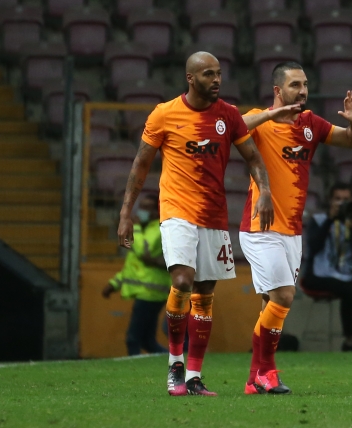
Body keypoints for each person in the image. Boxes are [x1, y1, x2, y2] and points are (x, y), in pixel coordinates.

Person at [117, 52, 275, 397]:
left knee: (204, 294)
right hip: (176, 210)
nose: (216, 80)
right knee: (182, 281)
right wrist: (126, 212)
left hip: (214, 214)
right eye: (208, 74)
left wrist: (265, 191)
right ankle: (175, 365)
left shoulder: (228, 115)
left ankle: (193, 376)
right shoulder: (164, 114)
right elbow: (141, 164)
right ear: (190, 78)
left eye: (218, 73)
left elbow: (252, 157)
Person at [239, 61, 352, 395]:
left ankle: (253, 379)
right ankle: (268, 372)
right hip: (260, 226)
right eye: (295, 85)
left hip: (292, 232)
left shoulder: (310, 123)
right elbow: (231, 127)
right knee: (284, 296)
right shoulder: (260, 119)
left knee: (270, 303)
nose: (303, 90)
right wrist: (271, 114)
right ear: (277, 90)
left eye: (306, 84)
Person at [303, 182, 352, 352]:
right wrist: (330, 219)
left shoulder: (351, 220)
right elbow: (313, 246)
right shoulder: (319, 220)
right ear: (330, 200)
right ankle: (349, 340)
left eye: (346, 199)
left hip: (343, 275)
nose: (342, 203)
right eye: (338, 199)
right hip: (317, 276)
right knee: (348, 289)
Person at [103, 194, 169, 356]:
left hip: (151, 292)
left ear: (157, 212)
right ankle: (176, 361)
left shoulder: (159, 230)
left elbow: (143, 251)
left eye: (147, 207)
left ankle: (135, 368)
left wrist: (136, 228)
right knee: (148, 342)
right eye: (141, 206)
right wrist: (114, 283)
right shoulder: (144, 230)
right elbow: (133, 266)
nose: (142, 211)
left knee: (133, 339)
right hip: (147, 292)